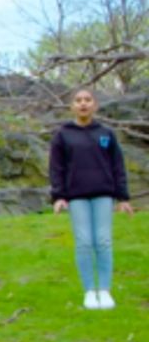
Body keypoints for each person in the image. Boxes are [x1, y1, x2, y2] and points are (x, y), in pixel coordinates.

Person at [49, 88, 134, 310]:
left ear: (95, 105)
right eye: (78, 100)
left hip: (103, 194)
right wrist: (58, 196)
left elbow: (118, 166)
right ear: (72, 106)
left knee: (103, 241)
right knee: (84, 242)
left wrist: (122, 197)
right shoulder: (63, 135)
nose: (83, 104)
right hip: (76, 196)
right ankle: (89, 292)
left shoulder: (106, 133)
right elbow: (56, 168)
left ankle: (104, 291)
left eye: (87, 100)